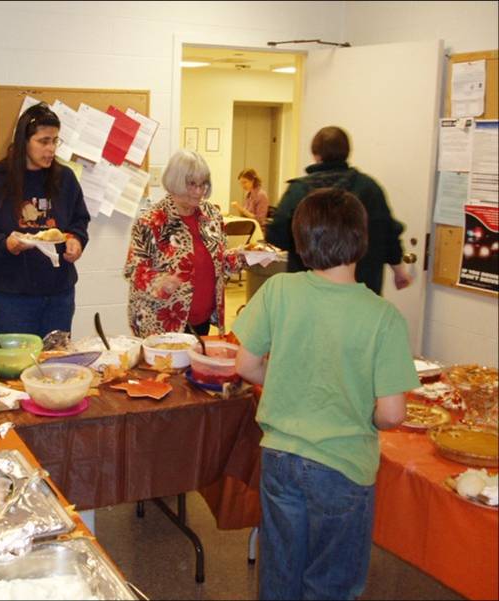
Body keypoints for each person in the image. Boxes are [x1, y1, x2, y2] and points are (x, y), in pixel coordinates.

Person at [233, 187, 418, 600]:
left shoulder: (278, 291)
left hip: (280, 456)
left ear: (300, 241)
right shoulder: (383, 317)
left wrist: (285, 379)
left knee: (279, 573)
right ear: (361, 240)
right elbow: (392, 414)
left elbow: (245, 365)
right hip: (343, 465)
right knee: (330, 583)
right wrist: (364, 413)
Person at [0, 102, 90, 338]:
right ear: (24, 141)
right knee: (15, 361)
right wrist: (5, 244)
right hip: (10, 298)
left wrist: (76, 239)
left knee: (56, 359)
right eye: (43, 141)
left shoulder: (65, 178)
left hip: (58, 296)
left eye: (55, 141)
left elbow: (79, 220)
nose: (51, 149)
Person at [266, 125, 411, 295]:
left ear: (316, 154)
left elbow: (276, 234)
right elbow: (387, 232)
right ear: (347, 152)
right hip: (361, 288)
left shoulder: (299, 191)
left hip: (309, 290)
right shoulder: (369, 188)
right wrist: (399, 270)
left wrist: (306, 247)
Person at [124, 149, 243, 338]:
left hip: (202, 320)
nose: (199, 191)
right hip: (162, 322)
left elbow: (220, 262)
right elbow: (134, 270)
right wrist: (160, 282)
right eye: (192, 184)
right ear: (176, 182)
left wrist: (243, 257)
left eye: (203, 184)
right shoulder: (152, 221)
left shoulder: (211, 215)